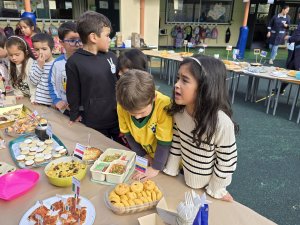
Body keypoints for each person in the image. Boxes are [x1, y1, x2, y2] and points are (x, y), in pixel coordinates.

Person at [163, 55, 238, 202]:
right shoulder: (179, 113)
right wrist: (171, 171)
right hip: (185, 179)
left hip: (210, 189)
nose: (176, 85)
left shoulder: (221, 123)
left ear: (205, 86)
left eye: (184, 80)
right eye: (178, 78)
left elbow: (226, 160)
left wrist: (216, 190)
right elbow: (177, 142)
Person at [66, 11, 120, 142]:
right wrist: (74, 114)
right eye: (107, 35)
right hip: (94, 120)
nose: (109, 39)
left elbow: (120, 83)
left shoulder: (112, 56)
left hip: (117, 117)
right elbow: (73, 91)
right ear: (93, 37)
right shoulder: (74, 62)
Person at [116, 69, 173, 180]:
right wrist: (143, 155)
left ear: (154, 98)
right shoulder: (122, 106)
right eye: (131, 113)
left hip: (166, 159)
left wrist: (156, 167)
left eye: (141, 112)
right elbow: (128, 135)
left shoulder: (164, 105)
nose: (137, 117)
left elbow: (164, 143)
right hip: (147, 154)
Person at [48, 21, 82, 115]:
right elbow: (51, 83)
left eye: (80, 39)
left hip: (84, 111)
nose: (78, 44)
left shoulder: (88, 62)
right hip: (65, 110)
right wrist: (57, 100)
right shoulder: (57, 63)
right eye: (72, 40)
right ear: (61, 43)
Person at [6, 36, 35, 100]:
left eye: (17, 55)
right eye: (10, 55)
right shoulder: (11, 64)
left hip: (35, 96)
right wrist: (18, 93)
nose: (13, 58)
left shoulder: (30, 63)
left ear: (26, 53)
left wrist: (34, 97)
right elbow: (13, 80)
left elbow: (34, 83)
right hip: (25, 96)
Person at [29, 33, 55, 105]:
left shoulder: (56, 64)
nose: (40, 52)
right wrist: (39, 66)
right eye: (37, 49)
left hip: (53, 104)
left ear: (52, 49)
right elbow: (33, 82)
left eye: (44, 49)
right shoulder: (35, 63)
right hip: (38, 102)